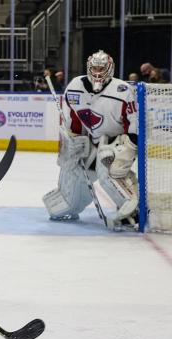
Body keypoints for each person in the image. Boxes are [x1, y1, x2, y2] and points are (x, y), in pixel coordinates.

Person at [43, 50, 139, 229]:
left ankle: (135, 208)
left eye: (102, 68)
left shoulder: (123, 91)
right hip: (92, 140)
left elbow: (134, 125)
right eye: (94, 68)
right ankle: (70, 200)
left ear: (110, 69)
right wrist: (72, 143)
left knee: (107, 168)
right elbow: (72, 124)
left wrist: (128, 150)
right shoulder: (74, 87)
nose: (97, 72)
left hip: (116, 142)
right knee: (65, 206)